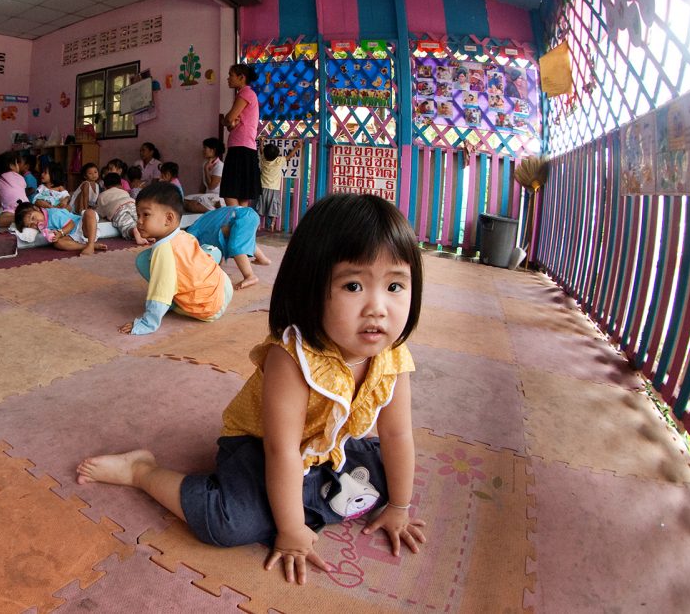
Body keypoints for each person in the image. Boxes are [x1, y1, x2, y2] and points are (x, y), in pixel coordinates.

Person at [77, 193, 427, 585]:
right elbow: (281, 450)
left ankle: (314, 496)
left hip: (324, 446)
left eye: (395, 286)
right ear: (309, 286)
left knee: (390, 471)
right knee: (230, 524)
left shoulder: (392, 354)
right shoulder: (292, 359)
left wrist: (399, 505)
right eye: (353, 286)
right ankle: (141, 470)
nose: (378, 308)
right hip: (260, 448)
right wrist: (292, 531)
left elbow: (397, 434)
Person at [118, 182, 232, 335]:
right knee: (145, 258)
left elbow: (161, 290)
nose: (139, 221)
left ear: (168, 218)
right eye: (138, 215)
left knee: (157, 271)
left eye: (146, 215)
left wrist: (146, 324)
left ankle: (172, 302)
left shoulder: (164, 251)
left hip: (208, 307)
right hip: (223, 285)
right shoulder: (183, 234)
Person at [187, 206, 271, 290]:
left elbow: (210, 248)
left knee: (235, 246)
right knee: (242, 240)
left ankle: (249, 276)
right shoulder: (203, 224)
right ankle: (263, 259)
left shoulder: (193, 233)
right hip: (248, 214)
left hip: (241, 216)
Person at [220, 64, 261, 207]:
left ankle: (237, 224)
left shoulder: (245, 93)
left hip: (239, 147)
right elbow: (232, 124)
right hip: (247, 147)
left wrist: (226, 120)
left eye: (231, 75)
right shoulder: (249, 94)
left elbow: (229, 119)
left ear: (241, 77)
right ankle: (243, 227)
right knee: (243, 194)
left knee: (229, 191)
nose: (228, 78)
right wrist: (230, 123)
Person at [14, 201, 107, 256]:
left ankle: (90, 245)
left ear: (37, 209)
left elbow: (71, 225)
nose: (35, 223)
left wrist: (60, 233)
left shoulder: (54, 214)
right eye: (31, 225)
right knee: (58, 243)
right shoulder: (42, 225)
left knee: (89, 212)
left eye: (33, 218)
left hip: (81, 226)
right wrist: (55, 237)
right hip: (73, 237)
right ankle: (87, 246)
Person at [96, 171, 152, 245]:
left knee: (127, 225)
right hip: (133, 204)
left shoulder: (102, 195)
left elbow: (100, 212)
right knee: (140, 220)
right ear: (121, 184)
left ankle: (134, 230)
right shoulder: (124, 192)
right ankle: (148, 233)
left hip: (118, 209)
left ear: (105, 187)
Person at [184, 137, 225, 214]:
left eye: (205, 148)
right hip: (207, 196)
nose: (203, 150)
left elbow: (211, 186)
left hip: (216, 197)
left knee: (193, 206)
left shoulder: (220, 166)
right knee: (184, 201)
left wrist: (206, 169)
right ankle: (213, 208)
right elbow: (203, 184)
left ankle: (218, 210)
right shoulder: (205, 164)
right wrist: (198, 196)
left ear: (213, 150)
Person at [0, 151, 34, 228]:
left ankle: (20, 218)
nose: (18, 166)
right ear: (11, 166)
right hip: (25, 206)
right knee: (27, 212)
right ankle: (26, 217)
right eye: (17, 163)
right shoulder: (21, 178)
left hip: (11, 211)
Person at [257, 144, 285, 231]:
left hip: (263, 188)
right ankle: (272, 224)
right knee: (274, 207)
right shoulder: (279, 161)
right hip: (274, 189)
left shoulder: (263, 160)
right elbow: (289, 156)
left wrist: (262, 143)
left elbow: (262, 152)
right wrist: (297, 147)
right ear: (277, 155)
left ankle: (258, 225)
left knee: (260, 206)